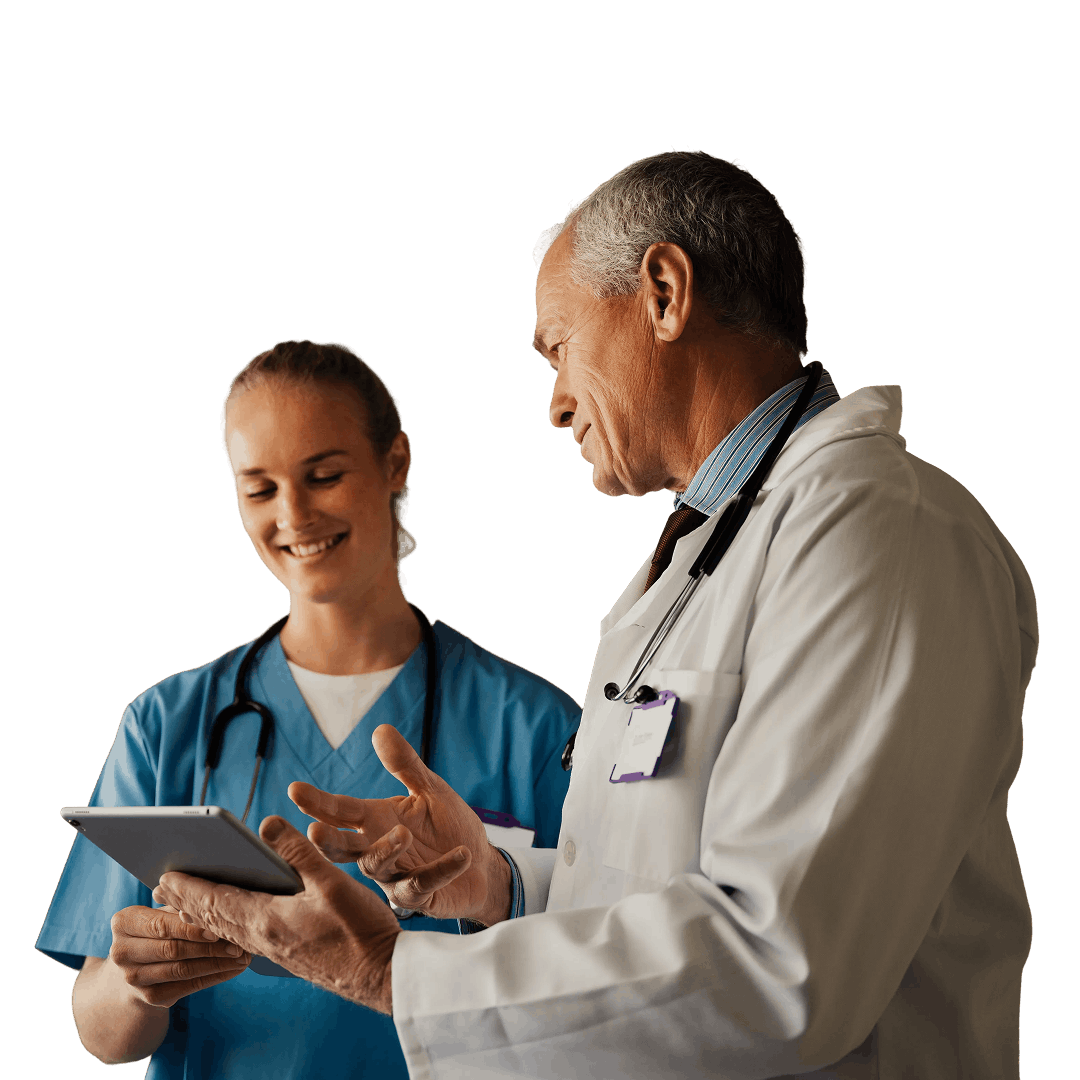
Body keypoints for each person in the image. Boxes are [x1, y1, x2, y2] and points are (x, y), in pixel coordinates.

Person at [151, 154, 1036, 1079]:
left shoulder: (879, 536)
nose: (556, 403)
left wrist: (391, 971)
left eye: (560, 347)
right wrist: (500, 885)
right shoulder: (704, 555)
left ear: (663, 292)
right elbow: (663, 892)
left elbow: (782, 965)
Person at [36, 340, 581, 1078]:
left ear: (396, 462)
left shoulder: (538, 728)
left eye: (323, 475)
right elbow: (104, 1034)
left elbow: (598, 979)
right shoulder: (167, 724)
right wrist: (138, 984)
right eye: (259, 490)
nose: (294, 515)